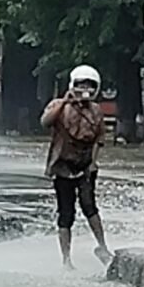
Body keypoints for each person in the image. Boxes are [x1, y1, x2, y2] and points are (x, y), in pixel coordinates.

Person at [41, 65, 112, 269]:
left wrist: (93, 162)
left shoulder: (96, 111)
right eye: (81, 85)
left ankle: (102, 246)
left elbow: (99, 139)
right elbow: (45, 121)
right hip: (63, 166)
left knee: (90, 206)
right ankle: (66, 259)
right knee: (66, 213)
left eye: (89, 86)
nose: (85, 90)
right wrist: (65, 101)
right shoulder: (60, 106)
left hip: (85, 166)